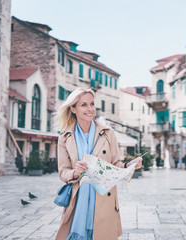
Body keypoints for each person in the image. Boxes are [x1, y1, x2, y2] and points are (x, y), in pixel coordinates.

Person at [55, 88, 142, 240]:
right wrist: (75, 172)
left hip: (103, 197)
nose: (90, 109)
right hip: (78, 201)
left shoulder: (108, 133)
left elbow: (116, 164)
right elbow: (63, 172)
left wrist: (130, 165)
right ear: (73, 108)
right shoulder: (65, 137)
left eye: (92, 104)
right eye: (84, 105)